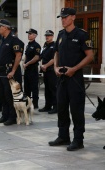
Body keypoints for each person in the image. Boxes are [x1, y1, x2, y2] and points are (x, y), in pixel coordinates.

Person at [48, 8, 94, 151]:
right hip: (61, 78)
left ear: (73, 17)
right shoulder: (61, 35)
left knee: (76, 110)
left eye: (65, 17)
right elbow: (56, 52)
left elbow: (90, 56)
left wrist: (74, 69)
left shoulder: (81, 35)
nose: (62, 19)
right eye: (61, 17)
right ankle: (63, 136)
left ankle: (78, 140)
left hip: (75, 78)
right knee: (61, 108)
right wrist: (55, 67)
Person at [0, 19, 24, 126]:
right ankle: (5, 114)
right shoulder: (2, 40)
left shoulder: (14, 40)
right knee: (2, 95)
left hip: (10, 71)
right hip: (1, 71)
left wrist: (13, 71)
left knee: (10, 95)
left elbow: (18, 56)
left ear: (6, 27)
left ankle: (13, 116)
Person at [39, 30, 57, 114]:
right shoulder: (45, 46)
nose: (47, 37)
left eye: (49, 35)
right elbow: (41, 56)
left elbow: (54, 59)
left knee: (53, 89)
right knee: (47, 90)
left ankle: (55, 107)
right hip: (45, 71)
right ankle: (48, 106)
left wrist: (45, 65)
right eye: (46, 35)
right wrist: (42, 66)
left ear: (52, 36)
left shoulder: (55, 45)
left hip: (52, 71)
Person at [23, 28, 41, 109]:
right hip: (27, 69)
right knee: (26, 87)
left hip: (33, 69)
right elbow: (26, 55)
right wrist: (24, 63)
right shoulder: (28, 45)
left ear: (35, 35)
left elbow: (36, 57)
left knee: (34, 87)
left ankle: (35, 104)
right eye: (28, 34)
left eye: (30, 34)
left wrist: (27, 63)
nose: (29, 35)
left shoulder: (36, 46)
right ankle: (27, 102)